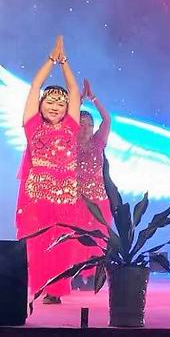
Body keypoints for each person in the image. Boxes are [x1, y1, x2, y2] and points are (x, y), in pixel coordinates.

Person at [15, 36, 82, 304]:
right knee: (38, 242)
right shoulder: (32, 126)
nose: (55, 107)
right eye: (50, 102)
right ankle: (39, 286)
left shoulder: (72, 127)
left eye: (60, 104)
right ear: (41, 105)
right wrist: (51, 60)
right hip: (37, 194)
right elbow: (35, 86)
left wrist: (64, 63)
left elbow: (74, 91)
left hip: (65, 195)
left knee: (62, 242)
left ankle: (55, 290)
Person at [72, 79, 112, 290]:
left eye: (90, 125)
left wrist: (93, 98)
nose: (86, 128)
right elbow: (66, 120)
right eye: (82, 124)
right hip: (76, 199)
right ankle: (76, 275)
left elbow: (107, 119)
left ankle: (93, 276)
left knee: (97, 239)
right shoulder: (68, 142)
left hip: (99, 200)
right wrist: (78, 100)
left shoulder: (98, 142)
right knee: (77, 238)